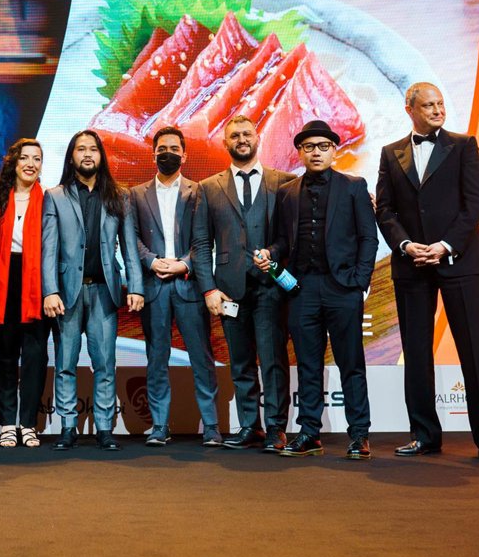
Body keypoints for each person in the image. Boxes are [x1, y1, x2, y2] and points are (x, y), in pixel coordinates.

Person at [375, 82, 479, 462]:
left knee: (475, 350)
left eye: (440, 104)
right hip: (411, 264)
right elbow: (385, 209)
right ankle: (424, 435)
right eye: (429, 105)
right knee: (416, 354)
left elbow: (475, 203)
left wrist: (445, 245)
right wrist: (405, 245)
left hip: (459, 262)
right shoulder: (390, 153)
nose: (437, 110)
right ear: (410, 110)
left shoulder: (464, 146)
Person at [256, 120, 378, 460]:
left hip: (343, 287)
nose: (316, 152)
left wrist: (359, 281)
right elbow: (283, 240)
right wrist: (271, 253)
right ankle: (309, 433)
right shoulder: (287, 193)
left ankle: (359, 434)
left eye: (323, 146)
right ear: (300, 152)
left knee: (351, 363)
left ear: (334, 150)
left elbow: (369, 238)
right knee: (308, 365)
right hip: (302, 289)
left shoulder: (354, 187)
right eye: (309, 147)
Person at [191, 115, 295, 453]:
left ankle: (276, 428)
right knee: (240, 362)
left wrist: (274, 253)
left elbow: (289, 237)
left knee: (273, 360)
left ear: (257, 137)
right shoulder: (209, 187)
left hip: (270, 287)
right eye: (234, 135)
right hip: (229, 290)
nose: (241, 139)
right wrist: (209, 288)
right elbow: (201, 244)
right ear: (225, 143)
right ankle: (250, 426)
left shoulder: (284, 182)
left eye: (247, 133)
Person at [42, 129, 144, 451]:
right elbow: (49, 249)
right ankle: (67, 427)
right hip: (67, 294)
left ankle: (104, 428)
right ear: (71, 156)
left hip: (104, 292)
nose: (87, 154)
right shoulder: (55, 196)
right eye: (81, 149)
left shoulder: (119, 196)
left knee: (105, 364)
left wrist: (136, 286)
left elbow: (129, 246)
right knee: (65, 364)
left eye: (93, 149)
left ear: (101, 156)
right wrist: (49, 291)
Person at [130, 126, 221, 447]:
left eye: (173, 149)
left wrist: (185, 263)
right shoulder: (136, 194)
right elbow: (131, 237)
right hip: (154, 285)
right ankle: (159, 426)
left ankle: (211, 426)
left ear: (184, 156)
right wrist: (151, 261)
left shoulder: (200, 191)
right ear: (153, 154)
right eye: (161, 149)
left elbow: (205, 238)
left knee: (201, 357)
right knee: (156, 358)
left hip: (188, 283)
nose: (167, 154)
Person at [0, 138, 49, 448]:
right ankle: (8, 422)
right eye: (25, 158)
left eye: (37, 159)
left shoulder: (49, 200)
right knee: (4, 355)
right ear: (13, 161)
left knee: (35, 356)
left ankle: (29, 424)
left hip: (36, 282)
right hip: (0, 280)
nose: (31, 164)